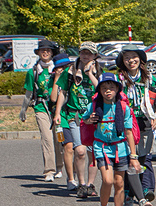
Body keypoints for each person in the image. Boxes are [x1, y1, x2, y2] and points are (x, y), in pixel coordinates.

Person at [82, 73, 139, 206]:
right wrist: (89, 120)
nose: (108, 91)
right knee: (107, 181)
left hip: (120, 148)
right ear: (99, 90)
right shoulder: (94, 106)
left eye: (111, 87)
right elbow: (83, 119)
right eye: (104, 88)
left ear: (118, 89)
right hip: (102, 147)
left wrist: (133, 156)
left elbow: (129, 132)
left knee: (119, 183)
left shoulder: (123, 108)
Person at [115, 45, 156, 206]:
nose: (131, 61)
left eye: (134, 57)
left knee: (143, 160)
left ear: (140, 59)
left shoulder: (149, 78)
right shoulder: (119, 79)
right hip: (126, 125)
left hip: (144, 124)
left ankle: (142, 193)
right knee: (130, 160)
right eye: (127, 58)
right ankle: (133, 197)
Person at [53, 41, 101, 197]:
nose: (86, 56)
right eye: (83, 52)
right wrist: (57, 113)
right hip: (75, 115)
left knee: (93, 152)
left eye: (89, 53)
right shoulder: (70, 72)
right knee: (80, 151)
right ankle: (81, 183)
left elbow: (102, 90)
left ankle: (90, 184)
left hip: (93, 117)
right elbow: (63, 92)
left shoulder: (99, 71)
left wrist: (90, 74)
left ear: (95, 56)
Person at [19, 39, 64, 182]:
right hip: (40, 107)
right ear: (38, 53)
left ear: (52, 53)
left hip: (57, 108)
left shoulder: (58, 69)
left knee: (59, 138)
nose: (45, 52)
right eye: (42, 50)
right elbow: (28, 93)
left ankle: (60, 166)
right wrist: (23, 110)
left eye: (48, 50)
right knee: (47, 138)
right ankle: (49, 170)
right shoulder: (33, 72)